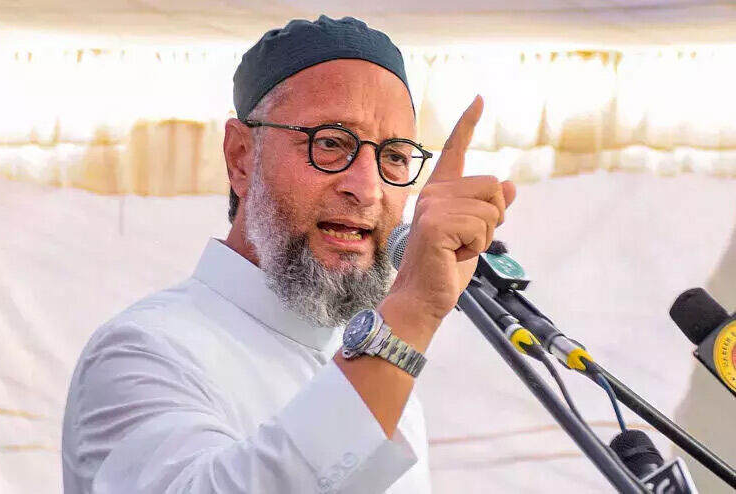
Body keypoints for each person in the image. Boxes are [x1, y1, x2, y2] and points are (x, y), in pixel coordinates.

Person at [62, 15, 516, 493]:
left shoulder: (384, 371)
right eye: (331, 143)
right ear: (241, 157)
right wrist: (412, 312)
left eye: (394, 157)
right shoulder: (144, 349)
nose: (367, 189)